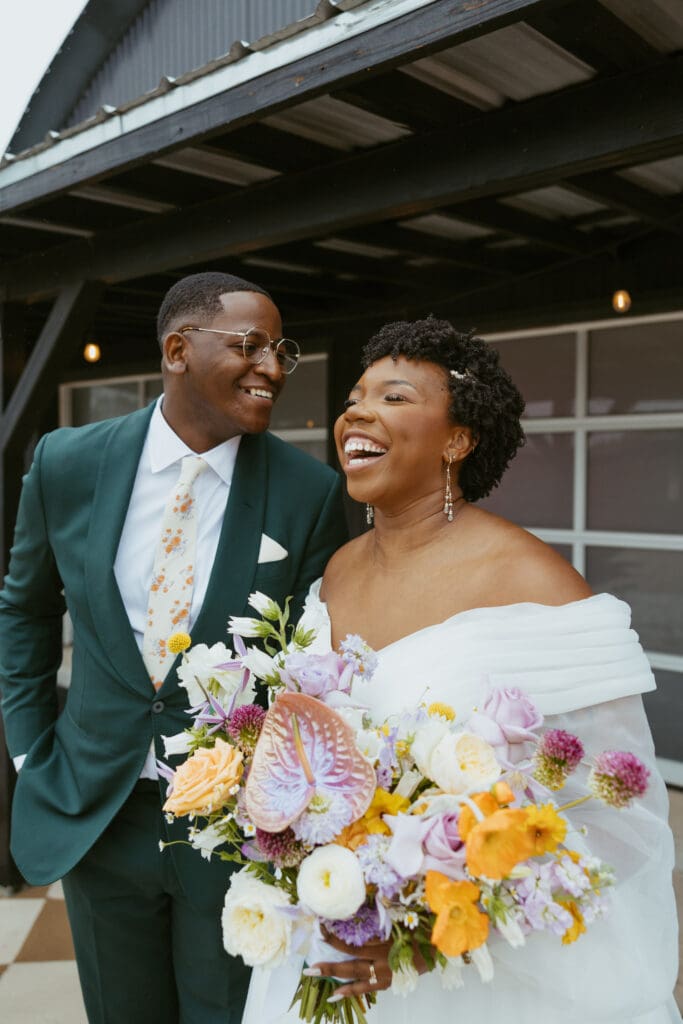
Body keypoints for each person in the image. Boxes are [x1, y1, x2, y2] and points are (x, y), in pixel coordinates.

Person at [243, 316, 681, 1024]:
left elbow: (610, 818)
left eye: (392, 397)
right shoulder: (335, 571)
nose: (355, 410)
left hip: (471, 971)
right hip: (334, 931)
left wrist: (416, 929)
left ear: (456, 440)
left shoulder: (528, 577)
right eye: (355, 396)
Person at [0, 271, 348, 1024]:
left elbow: (317, 664)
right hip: (97, 809)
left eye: (281, 350)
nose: (274, 368)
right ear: (178, 349)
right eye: (250, 346)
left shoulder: (309, 492)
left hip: (235, 831)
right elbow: (23, 611)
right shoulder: (67, 463)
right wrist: (31, 750)